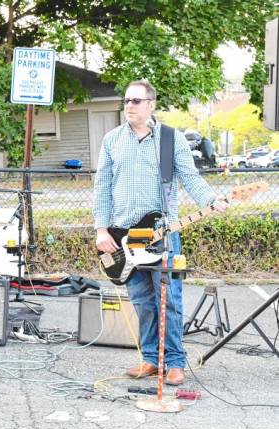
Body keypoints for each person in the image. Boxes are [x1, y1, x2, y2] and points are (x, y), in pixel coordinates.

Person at [93, 80, 228, 386]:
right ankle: (151, 360)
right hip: (124, 235)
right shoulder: (112, 140)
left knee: (170, 300)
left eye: (137, 101)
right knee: (142, 301)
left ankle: (176, 363)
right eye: (127, 100)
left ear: (151, 104)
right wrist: (101, 229)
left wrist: (211, 200)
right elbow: (102, 187)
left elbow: (190, 178)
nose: (130, 105)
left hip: (162, 233)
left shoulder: (170, 139)